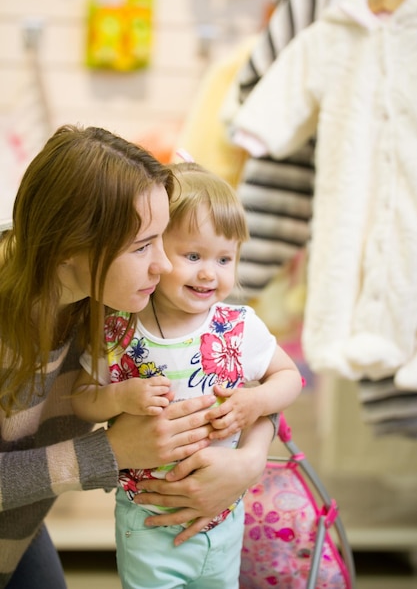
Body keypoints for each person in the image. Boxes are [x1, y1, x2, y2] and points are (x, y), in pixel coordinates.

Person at [0, 125, 281, 589]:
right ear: (70, 247)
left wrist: (249, 460)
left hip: (20, 524)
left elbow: (251, 378)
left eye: (162, 240)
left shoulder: (118, 301)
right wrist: (109, 452)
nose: (165, 265)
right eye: (142, 246)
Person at [72, 162, 303, 589]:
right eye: (193, 255)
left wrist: (256, 401)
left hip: (223, 514)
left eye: (224, 258)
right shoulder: (119, 327)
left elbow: (289, 378)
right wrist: (120, 398)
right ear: (157, 255)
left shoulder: (238, 324)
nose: (208, 273)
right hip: (148, 519)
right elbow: (81, 397)